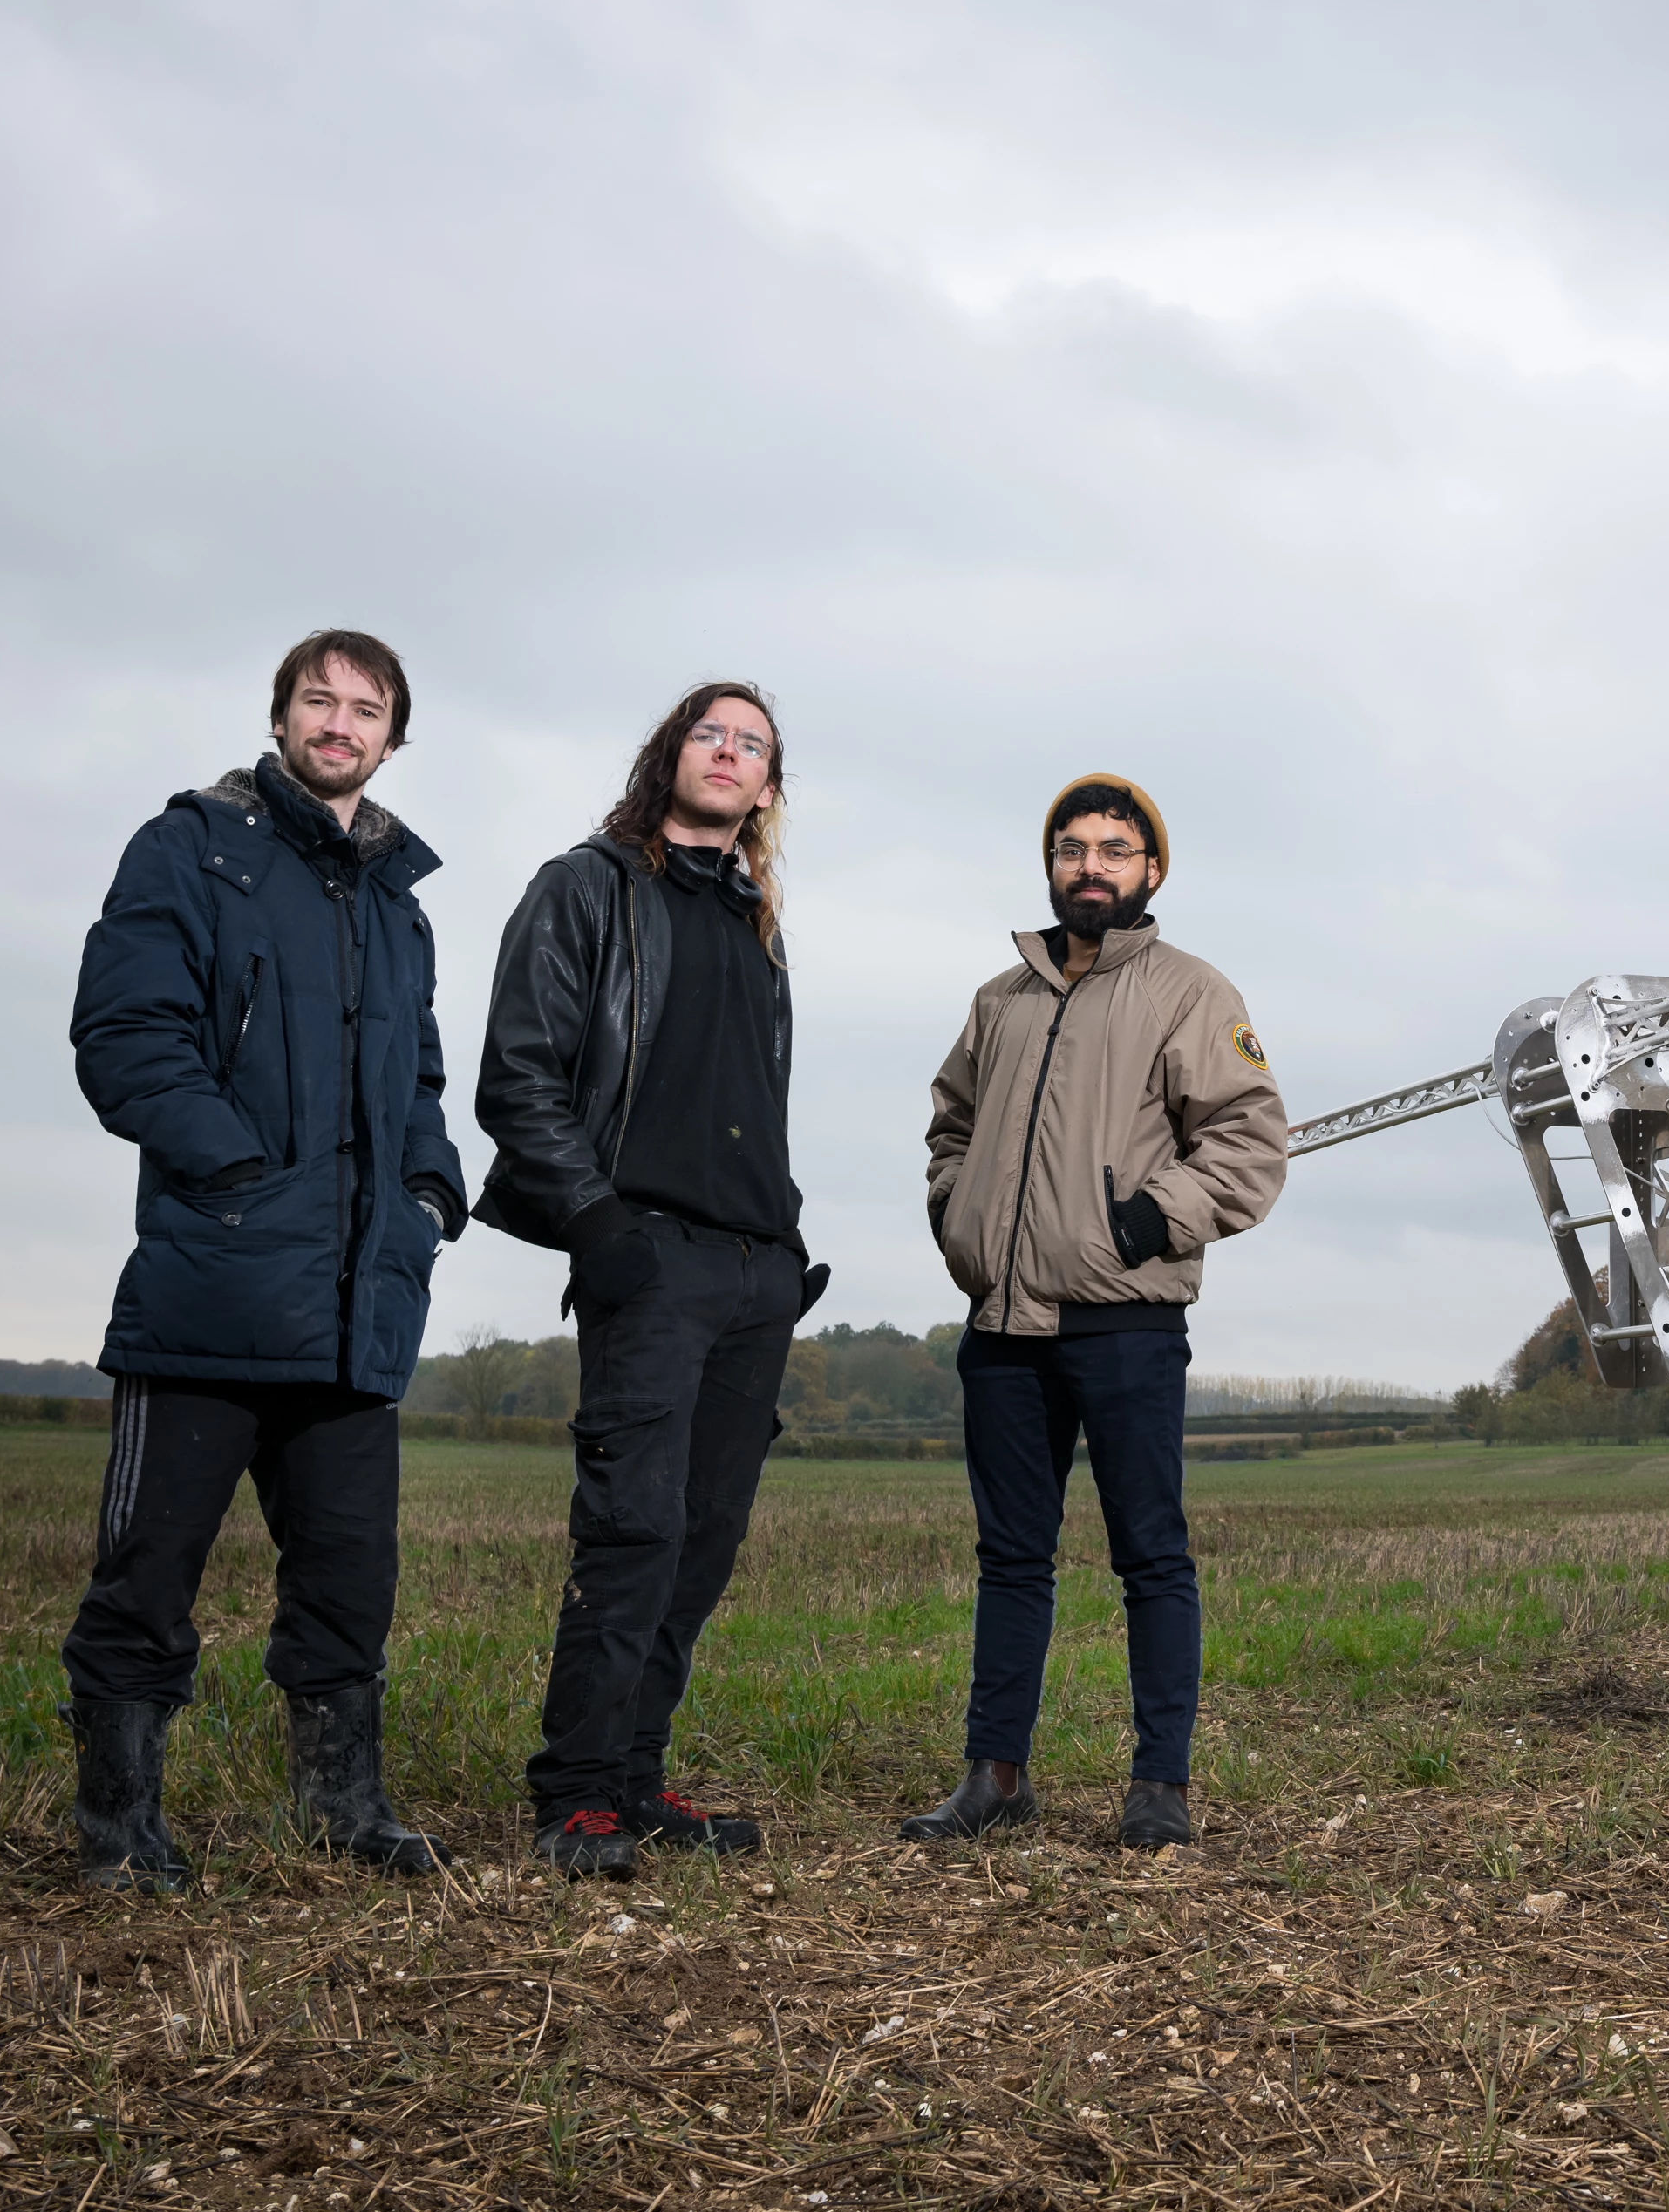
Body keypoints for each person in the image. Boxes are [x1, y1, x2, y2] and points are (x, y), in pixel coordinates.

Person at [65, 629, 467, 1890]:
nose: (340, 723)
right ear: (282, 714)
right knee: (148, 1575)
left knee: (351, 1581)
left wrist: (427, 1191)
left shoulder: (400, 905)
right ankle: (120, 1834)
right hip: (215, 1286)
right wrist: (238, 1179)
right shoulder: (191, 848)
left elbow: (418, 1079)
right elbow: (126, 1034)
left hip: (358, 1310)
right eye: (319, 700)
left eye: (367, 708)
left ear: (393, 737)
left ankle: (342, 1808)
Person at [475, 683, 828, 1880]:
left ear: (769, 789)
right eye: (709, 734)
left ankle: (635, 1778)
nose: (728, 754)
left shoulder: (756, 925)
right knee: (631, 1531)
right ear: (669, 755)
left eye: (753, 746)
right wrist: (596, 1225)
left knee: (703, 1540)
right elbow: (518, 1073)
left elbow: (742, 1106)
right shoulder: (587, 887)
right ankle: (575, 1797)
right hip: (649, 1260)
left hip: (755, 1274)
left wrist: (783, 1253)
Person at [909, 776, 1288, 1849]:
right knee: (1010, 1558)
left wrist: (1142, 1225)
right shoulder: (1001, 999)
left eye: (1115, 850)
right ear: (1052, 866)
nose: (1091, 866)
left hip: (1124, 1321)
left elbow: (1250, 1141)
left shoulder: (1192, 993)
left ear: (1151, 871)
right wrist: (960, 1217)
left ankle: (1159, 1787)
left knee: (1151, 1556)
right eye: (1073, 849)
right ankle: (995, 1774)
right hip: (1001, 1327)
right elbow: (951, 1128)